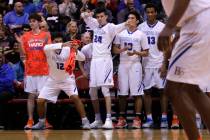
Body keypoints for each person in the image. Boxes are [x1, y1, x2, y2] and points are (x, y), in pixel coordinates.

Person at [158, 0, 210, 139]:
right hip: (197, 23)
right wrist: (177, 38)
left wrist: (168, 27)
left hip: (200, 23)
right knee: (191, 87)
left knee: (173, 88)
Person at [81, 7, 129, 129]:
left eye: (102, 16)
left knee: (105, 90)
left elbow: (125, 24)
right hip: (95, 61)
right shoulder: (95, 25)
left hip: (105, 60)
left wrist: (129, 22)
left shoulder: (111, 27)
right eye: (98, 16)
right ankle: (97, 119)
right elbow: (83, 15)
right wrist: (87, 12)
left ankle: (108, 119)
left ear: (106, 17)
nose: (99, 18)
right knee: (92, 91)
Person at [15, 13, 52, 129]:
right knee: (31, 96)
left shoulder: (46, 35)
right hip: (30, 70)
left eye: (34, 21)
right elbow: (22, 54)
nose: (31, 23)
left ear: (38, 22)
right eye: (30, 21)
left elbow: (49, 51)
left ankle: (44, 120)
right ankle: (30, 120)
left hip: (44, 70)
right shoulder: (25, 36)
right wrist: (20, 43)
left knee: (42, 97)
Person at [113, 10, 149, 129]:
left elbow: (146, 53)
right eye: (128, 18)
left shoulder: (141, 34)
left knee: (137, 93)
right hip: (123, 64)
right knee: (122, 93)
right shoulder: (121, 33)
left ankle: (137, 119)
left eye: (132, 18)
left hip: (135, 65)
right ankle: (122, 119)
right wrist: (123, 50)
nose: (130, 20)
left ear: (137, 21)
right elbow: (114, 50)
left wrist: (135, 52)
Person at [138, 3, 167, 128]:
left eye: (152, 12)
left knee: (163, 91)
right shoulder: (140, 27)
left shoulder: (163, 27)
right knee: (147, 91)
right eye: (148, 12)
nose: (150, 14)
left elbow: (167, 47)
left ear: (156, 13)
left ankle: (164, 118)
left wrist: (165, 64)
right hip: (146, 64)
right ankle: (149, 118)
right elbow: (138, 47)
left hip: (159, 62)